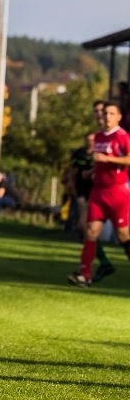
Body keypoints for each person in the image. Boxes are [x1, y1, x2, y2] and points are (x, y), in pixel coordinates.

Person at [67, 101, 130, 288]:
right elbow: (100, 162)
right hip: (98, 192)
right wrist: (93, 172)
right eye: (106, 113)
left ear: (119, 117)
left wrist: (107, 159)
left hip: (117, 193)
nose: (107, 117)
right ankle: (85, 275)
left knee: (123, 237)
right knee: (90, 231)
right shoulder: (100, 137)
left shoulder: (123, 137)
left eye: (112, 113)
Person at [69, 111, 115, 282]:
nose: (99, 116)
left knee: (88, 227)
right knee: (86, 227)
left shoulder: (111, 143)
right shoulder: (82, 153)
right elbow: (74, 171)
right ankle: (97, 265)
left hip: (105, 191)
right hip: (88, 191)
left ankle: (101, 264)